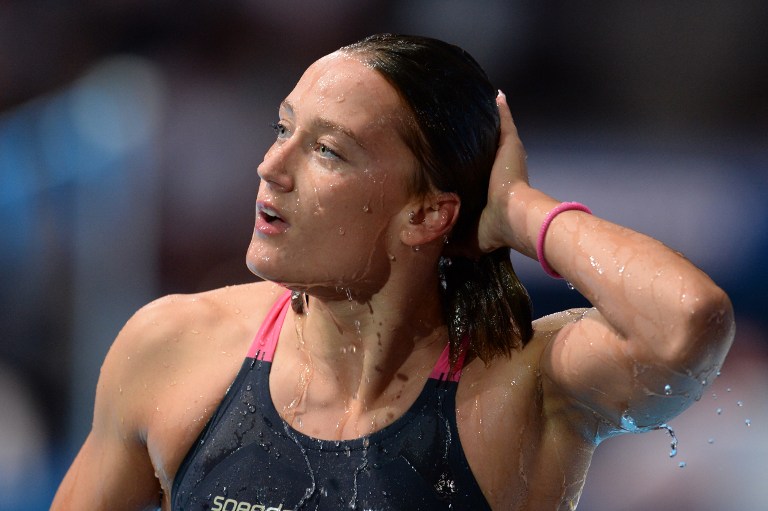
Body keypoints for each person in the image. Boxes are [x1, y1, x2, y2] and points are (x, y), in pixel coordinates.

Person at [51, 34, 734, 511]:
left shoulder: (519, 387)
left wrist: (523, 212)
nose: (271, 166)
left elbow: (687, 324)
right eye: (281, 126)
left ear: (426, 214)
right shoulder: (175, 347)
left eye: (327, 150)